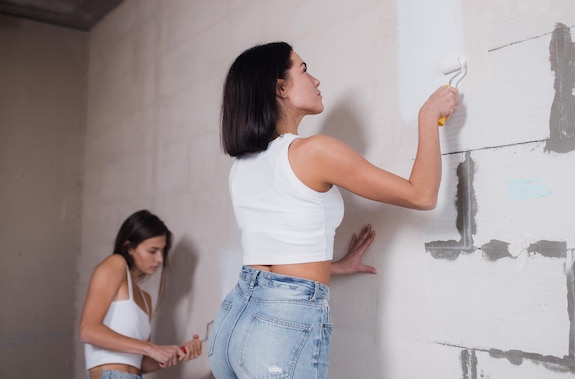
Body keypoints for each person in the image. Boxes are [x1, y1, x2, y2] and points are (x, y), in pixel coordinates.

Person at [208, 42, 459, 378]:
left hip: (234, 318)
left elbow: (276, 248)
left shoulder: (242, 166)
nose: (316, 80)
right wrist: (428, 116)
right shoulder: (314, 152)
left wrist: (335, 266)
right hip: (282, 326)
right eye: (303, 69)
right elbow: (422, 195)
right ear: (280, 88)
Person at [79, 209, 203, 379]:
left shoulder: (146, 299)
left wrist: (177, 353)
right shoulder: (116, 264)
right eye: (153, 251)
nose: (160, 259)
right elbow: (88, 330)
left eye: (162, 251)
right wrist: (151, 348)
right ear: (129, 247)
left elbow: (140, 364)